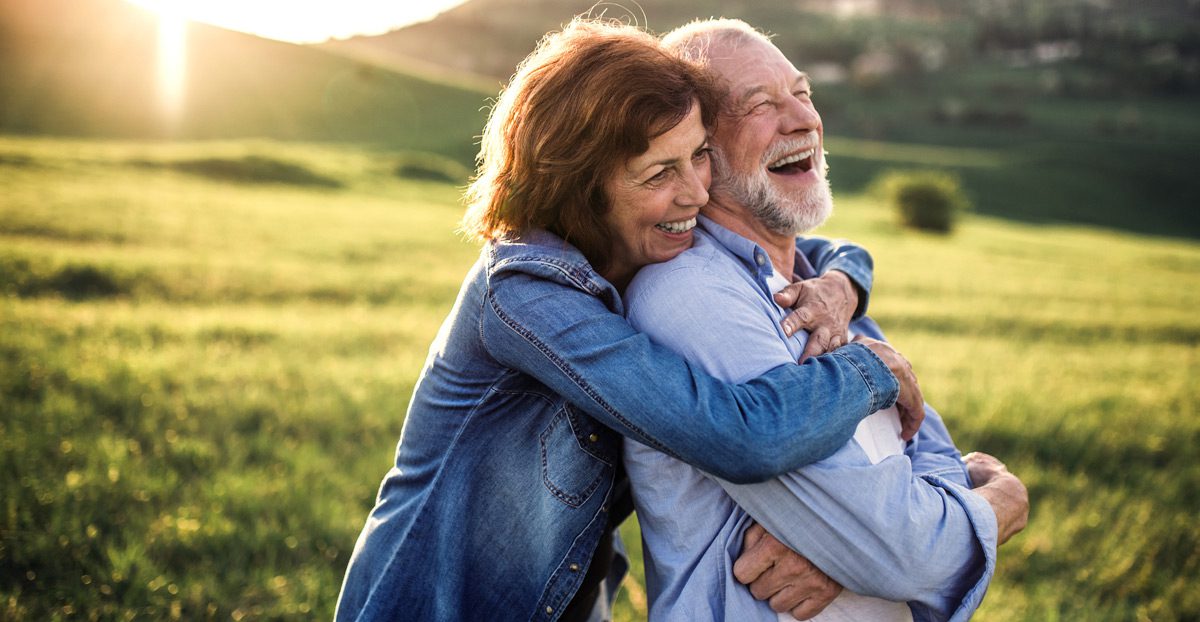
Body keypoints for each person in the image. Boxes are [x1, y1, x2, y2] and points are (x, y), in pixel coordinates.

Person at [334, 18, 927, 621]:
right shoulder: (525, 293)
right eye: (659, 174)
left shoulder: (639, 251)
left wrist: (840, 285)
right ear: (581, 187)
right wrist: (869, 369)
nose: (696, 192)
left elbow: (819, 251)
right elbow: (736, 436)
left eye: (698, 156)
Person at [623, 19, 1030, 622]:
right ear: (697, 151)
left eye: (803, 93)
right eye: (761, 104)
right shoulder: (692, 298)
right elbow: (905, 552)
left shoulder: (821, 289)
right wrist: (1004, 502)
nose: (804, 120)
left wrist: (852, 544)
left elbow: (923, 450)